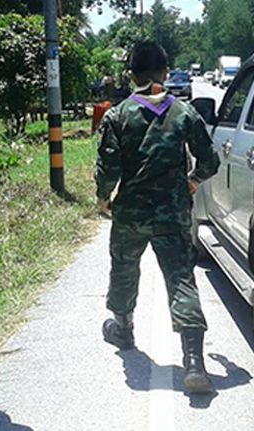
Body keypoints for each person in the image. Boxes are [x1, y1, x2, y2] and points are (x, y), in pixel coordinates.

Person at [95, 41, 220, 394]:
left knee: (123, 268)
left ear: (130, 74)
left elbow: (107, 168)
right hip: (173, 214)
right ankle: (194, 362)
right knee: (181, 279)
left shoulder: (117, 115)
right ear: (165, 73)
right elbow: (209, 161)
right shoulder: (184, 113)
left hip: (131, 214)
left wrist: (104, 198)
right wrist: (193, 180)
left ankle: (123, 329)